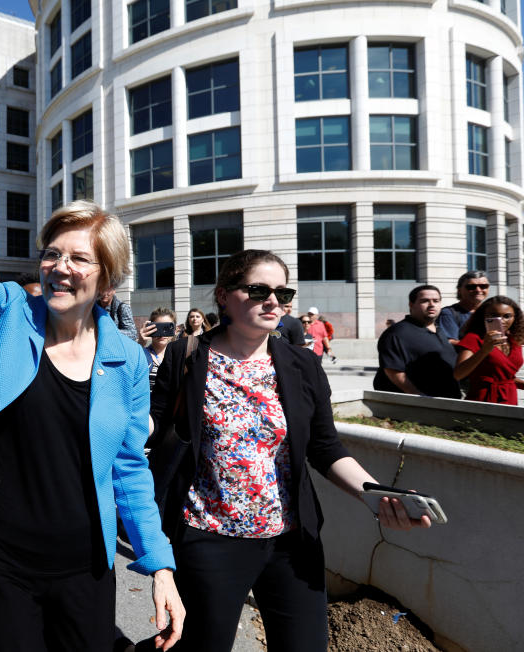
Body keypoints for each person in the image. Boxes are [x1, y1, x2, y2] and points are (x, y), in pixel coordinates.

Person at [0, 9, 184, 650]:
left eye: (79, 257)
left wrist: (159, 564)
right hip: (1, 559)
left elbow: (130, 468)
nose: (59, 266)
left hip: (86, 565)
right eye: (53, 253)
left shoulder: (126, 360)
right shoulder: (8, 316)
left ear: (106, 281)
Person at [148, 249, 431, 651]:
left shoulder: (302, 364)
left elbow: (325, 446)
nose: (273, 301)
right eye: (259, 289)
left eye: (282, 293)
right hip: (210, 538)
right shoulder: (188, 355)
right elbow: (156, 426)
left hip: (291, 542)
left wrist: (374, 493)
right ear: (224, 295)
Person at [374, 285, 461, 398]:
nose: (432, 305)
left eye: (436, 301)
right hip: (418, 407)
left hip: (447, 402)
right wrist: (420, 397)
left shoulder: (439, 330)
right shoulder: (397, 333)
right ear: (411, 304)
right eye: (425, 301)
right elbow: (393, 371)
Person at [453, 296, 524, 405]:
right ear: (483, 316)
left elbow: (503, 376)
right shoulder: (474, 338)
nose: (501, 321)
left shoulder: (514, 340)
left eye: (507, 316)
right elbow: (458, 374)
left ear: (515, 318)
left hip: (510, 397)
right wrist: (484, 350)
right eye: (494, 316)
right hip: (484, 399)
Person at [438, 271, 489, 344]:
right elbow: (449, 342)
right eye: (471, 287)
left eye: (483, 286)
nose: (478, 290)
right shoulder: (448, 313)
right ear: (459, 290)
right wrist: (481, 346)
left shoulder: (491, 312)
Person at [139, 307, 177, 389]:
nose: (162, 333)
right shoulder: (141, 353)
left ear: (175, 330)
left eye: (167, 327)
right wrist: (140, 343)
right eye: (158, 328)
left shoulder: (178, 355)